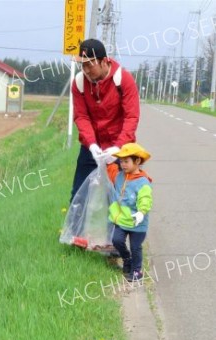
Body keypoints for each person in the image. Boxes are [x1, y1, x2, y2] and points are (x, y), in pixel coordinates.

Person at [70, 38, 140, 201]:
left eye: (90, 64)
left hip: (120, 148)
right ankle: (75, 227)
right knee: (78, 196)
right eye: (83, 65)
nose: (86, 70)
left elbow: (131, 117)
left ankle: (119, 227)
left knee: (121, 196)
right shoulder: (79, 83)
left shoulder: (123, 80)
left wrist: (118, 147)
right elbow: (81, 116)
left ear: (103, 61)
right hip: (91, 148)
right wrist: (92, 145)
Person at [105, 143, 153, 281]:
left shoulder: (143, 182)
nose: (123, 164)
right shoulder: (120, 176)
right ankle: (127, 259)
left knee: (135, 247)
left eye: (126, 161)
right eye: (121, 161)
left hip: (137, 222)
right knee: (117, 240)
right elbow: (111, 171)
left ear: (137, 161)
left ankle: (137, 271)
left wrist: (141, 212)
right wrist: (108, 162)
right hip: (121, 219)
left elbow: (145, 199)